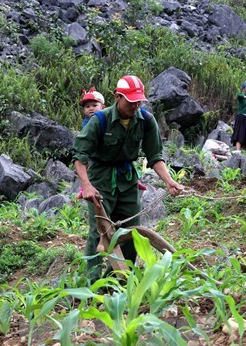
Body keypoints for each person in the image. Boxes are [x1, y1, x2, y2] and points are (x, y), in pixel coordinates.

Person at [73, 75, 183, 282]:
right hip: (101, 179)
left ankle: (120, 281)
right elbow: (80, 157)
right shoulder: (100, 120)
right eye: (131, 101)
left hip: (127, 179)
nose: (135, 106)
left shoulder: (146, 121)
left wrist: (169, 181)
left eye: (139, 101)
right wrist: (86, 186)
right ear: (117, 97)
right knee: (100, 232)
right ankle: (91, 283)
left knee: (132, 232)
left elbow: (155, 156)